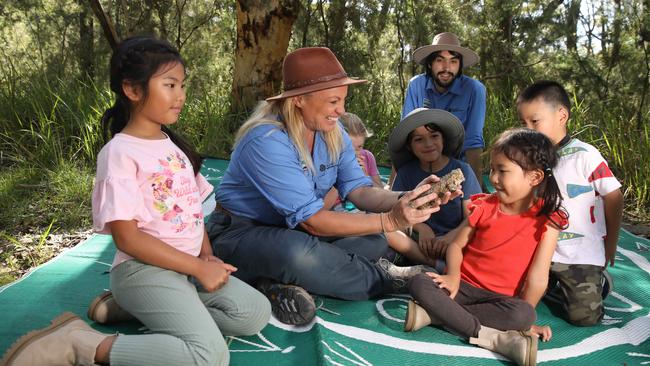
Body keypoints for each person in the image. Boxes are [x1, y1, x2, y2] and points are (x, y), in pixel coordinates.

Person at [1, 36, 271, 366]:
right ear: (132, 89)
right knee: (209, 356)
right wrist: (197, 267)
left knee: (254, 313)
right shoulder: (120, 153)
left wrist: (207, 257)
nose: (181, 95)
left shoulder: (173, 148)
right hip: (142, 272)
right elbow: (126, 237)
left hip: (183, 270)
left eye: (183, 85)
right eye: (170, 85)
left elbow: (192, 211)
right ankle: (81, 343)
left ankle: (131, 308)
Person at [206, 47, 462, 326]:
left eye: (343, 100)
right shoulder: (266, 140)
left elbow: (360, 191)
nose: (341, 111)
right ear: (300, 100)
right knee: (297, 255)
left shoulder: (333, 131)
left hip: (293, 230)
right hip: (241, 232)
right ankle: (387, 279)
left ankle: (271, 284)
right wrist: (390, 220)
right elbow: (314, 222)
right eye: (333, 101)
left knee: (373, 240)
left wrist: (411, 196)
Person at [404, 128, 569, 366]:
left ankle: (433, 316)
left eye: (502, 171)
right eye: (492, 169)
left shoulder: (548, 218)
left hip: (500, 301)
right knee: (419, 282)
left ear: (534, 177)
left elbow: (538, 276)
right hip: (461, 288)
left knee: (524, 313)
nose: (493, 178)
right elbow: (455, 246)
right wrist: (452, 275)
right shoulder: (485, 206)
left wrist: (524, 322)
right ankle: (491, 338)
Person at [517, 80, 624, 326]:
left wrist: (611, 242)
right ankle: (552, 287)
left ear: (562, 115)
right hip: (539, 248)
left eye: (535, 122)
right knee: (508, 291)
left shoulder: (585, 155)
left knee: (584, 317)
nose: (529, 129)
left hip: (578, 253)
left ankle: (595, 284)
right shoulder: (530, 158)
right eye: (524, 123)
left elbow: (614, 196)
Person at [387, 108, 482, 266]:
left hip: (454, 239)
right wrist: (422, 228)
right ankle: (433, 265)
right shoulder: (405, 173)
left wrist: (452, 236)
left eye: (434, 136)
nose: (428, 144)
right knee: (386, 231)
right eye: (419, 139)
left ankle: (437, 265)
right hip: (418, 241)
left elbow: (472, 217)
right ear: (410, 146)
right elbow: (396, 211)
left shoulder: (462, 170)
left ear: (443, 139)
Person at [400, 32, 486, 184]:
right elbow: (406, 132)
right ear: (430, 63)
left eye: (453, 61)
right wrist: (395, 183)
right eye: (440, 60)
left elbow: (473, 140)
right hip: (421, 164)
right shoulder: (416, 85)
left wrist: (476, 187)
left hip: (459, 170)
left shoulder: (475, 89)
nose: (446, 68)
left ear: (460, 65)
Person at [324, 112, 383, 211]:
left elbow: (380, 192)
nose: (355, 153)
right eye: (349, 148)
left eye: (359, 147)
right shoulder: (327, 160)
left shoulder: (367, 157)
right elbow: (322, 208)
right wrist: (342, 175)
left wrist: (365, 176)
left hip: (363, 208)